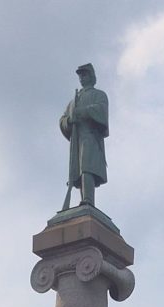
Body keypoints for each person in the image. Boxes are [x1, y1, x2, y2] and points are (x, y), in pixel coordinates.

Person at [60, 63, 108, 209]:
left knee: (87, 167)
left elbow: (101, 110)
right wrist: (69, 120)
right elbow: (63, 119)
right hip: (76, 139)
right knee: (78, 171)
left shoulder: (99, 95)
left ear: (92, 77)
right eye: (80, 75)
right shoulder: (72, 102)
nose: (82, 78)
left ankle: (88, 199)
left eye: (85, 74)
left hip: (90, 136)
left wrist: (83, 112)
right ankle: (84, 200)